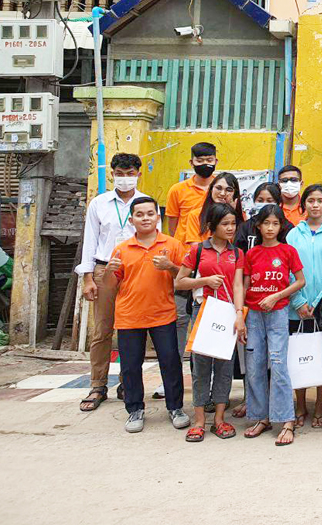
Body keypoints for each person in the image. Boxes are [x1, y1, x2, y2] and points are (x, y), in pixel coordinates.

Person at [77, 153, 155, 413]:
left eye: (130, 173)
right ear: (112, 174)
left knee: (133, 330)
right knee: (102, 330)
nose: (125, 178)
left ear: (138, 173)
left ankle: (128, 382)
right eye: (120, 173)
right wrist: (87, 277)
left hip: (137, 271)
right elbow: (90, 240)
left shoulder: (145, 204)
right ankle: (98, 384)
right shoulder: (99, 203)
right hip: (104, 269)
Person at [107, 197, 190, 434]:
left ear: (158, 218)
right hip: (129, 316)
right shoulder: (122, 249)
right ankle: (135, 410)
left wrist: (170, 266)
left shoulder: (173, 245)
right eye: (140, 215)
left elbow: (185, 278)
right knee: (131, 366)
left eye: (150, 214)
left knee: (171, 362)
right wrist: (109, 273)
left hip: (163, 314)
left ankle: (176, 408)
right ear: (131, 220)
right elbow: (111, 285)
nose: (145, 218)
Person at [174, 203, 246, 442]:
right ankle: (199, 421)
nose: (230, 228)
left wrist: (238, 314)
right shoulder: (196, 250)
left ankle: (219, 419)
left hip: (226, 313)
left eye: (233, 223)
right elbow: (179, 282)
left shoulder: (236, 253)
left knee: (225, 366)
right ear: (211, 226)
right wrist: (204, 281)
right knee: (201, 365)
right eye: (225, 224)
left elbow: (237, 285)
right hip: (202, 311)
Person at [243, 204, 307, 446]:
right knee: (255, 364)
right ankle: (261, 417)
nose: (270, 228)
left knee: (279, 364)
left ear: (281, 227)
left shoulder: (288, 251)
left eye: (275, 223)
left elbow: (300, 281)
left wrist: (277, 296)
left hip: (278, 313)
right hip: (254, 316)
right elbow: (246, 285)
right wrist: (242, 315)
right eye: (266, 223)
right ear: (258, 226)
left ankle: (287, 419)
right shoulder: (251, 253)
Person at [164, 142, 217, 391]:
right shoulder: (178, 190)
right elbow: (172, 229)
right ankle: (172, 381)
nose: (206, 164)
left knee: (209, 326)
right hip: (185, 267)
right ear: (192, 162)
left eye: (210, 159)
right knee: (179, 322)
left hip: (215, 268)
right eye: (201, 160)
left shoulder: (220, 188)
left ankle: (210, 384)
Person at [286, 184, 322, 428]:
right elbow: (286, 269)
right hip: (296, 306)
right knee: (299, 355)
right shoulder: (294, 234)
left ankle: (319, 405)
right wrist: (298, 301)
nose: (315, 205)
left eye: (320, 200)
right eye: (311, 200)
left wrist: (316, 302)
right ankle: (299, 405)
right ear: (303, 204)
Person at [181, 172, 245, 246]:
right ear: (211, 189)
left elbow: (238, 245)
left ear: (235, 194)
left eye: (228, 189)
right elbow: (195, 247)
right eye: (218, 188)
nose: (222, 193)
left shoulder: (241, 215)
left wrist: (232, 214)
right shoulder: (196, 215)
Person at [235, 183, 293, 252]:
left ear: (278, 203)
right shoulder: (246, 226)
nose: (264, 204)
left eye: (269, 201)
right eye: (260, 200)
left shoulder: (287, 227)